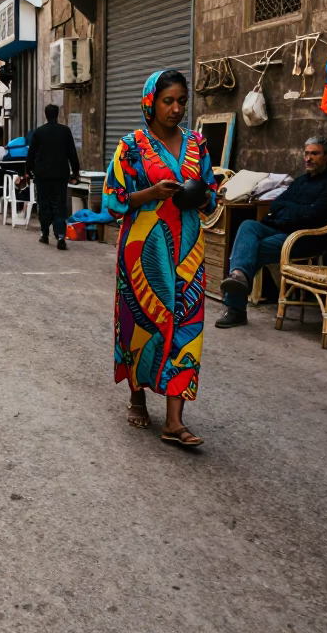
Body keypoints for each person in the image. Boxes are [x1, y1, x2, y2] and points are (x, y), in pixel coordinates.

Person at [103, 70, 216, 447]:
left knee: (187, 325)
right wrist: (150, 192)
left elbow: (211, 194)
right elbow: (112, 200)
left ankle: (174, 420)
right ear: (150, 102)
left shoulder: (197, 143)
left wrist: (201, 197)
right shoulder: (131, 146)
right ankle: (137, 395)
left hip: (188, 249)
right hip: (142, 247)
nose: (176, 108)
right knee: (143, 323)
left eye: (182, 101)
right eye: (168, 101)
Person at [215, 137, 327, 329]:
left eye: (315, 153)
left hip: (304, 239)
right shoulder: (300, 182)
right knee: (248, 226)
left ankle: (236, 309)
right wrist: (295, 210)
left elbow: (314, 215)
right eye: (306, 153)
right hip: (279, 230)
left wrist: (290, 210)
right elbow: (277, 204)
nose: (308, 158)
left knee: (251, 250)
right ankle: (238, 276)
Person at [24, 104, 81, 249]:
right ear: (58, 114)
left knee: (44, 203)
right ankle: (61, 235)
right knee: (59, 204)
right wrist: (76, 172)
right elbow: (72, 154)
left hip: (42, 175)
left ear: (46, 115)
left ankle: (44, 233)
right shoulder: (65, 131)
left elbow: (31, 154)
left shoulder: (39, 132)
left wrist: (27, 170)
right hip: (60, 175)